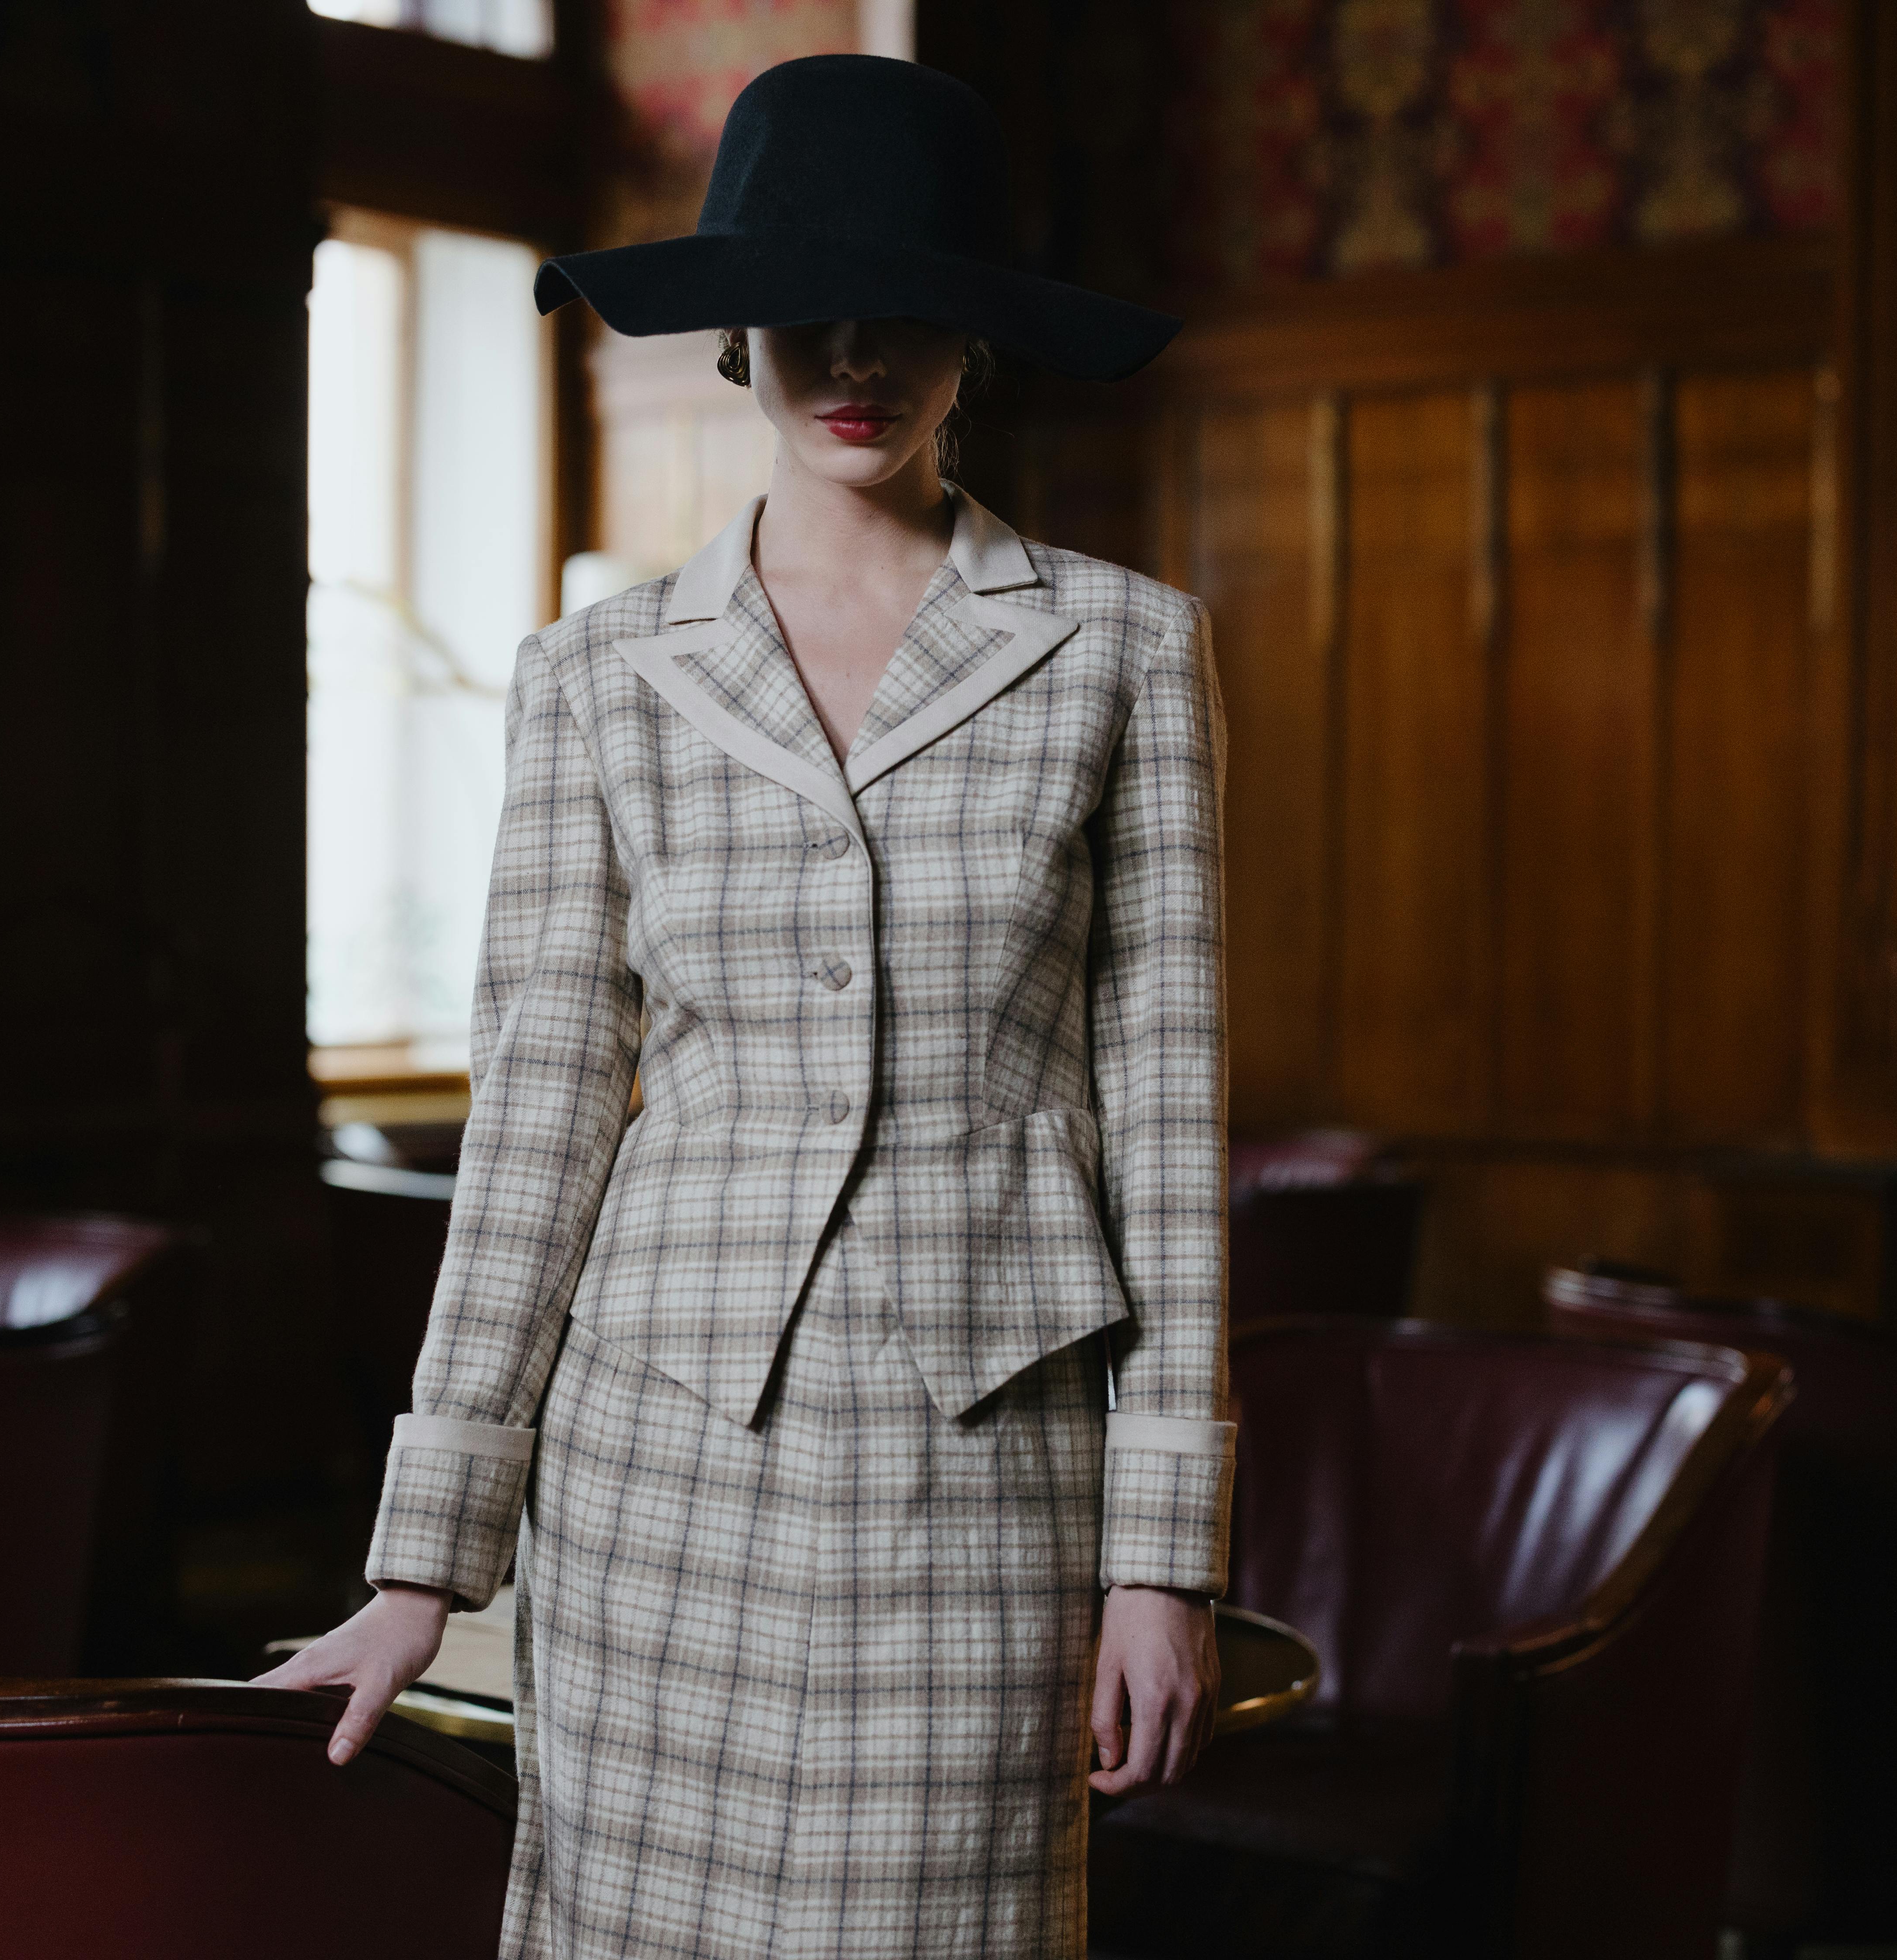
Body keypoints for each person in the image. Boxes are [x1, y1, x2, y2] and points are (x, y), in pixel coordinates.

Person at [263, 52, 1233, 1960]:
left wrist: (1164, 1557)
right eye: (808, 309)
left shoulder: (1123, 650)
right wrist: (424, 1561)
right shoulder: (597, 674)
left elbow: (1172, 1128)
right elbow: (537, 1126)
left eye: (904, 307)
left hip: (984, 1482)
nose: (855, 353)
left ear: (977, 336)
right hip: (655, 1478)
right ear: (734, 338)